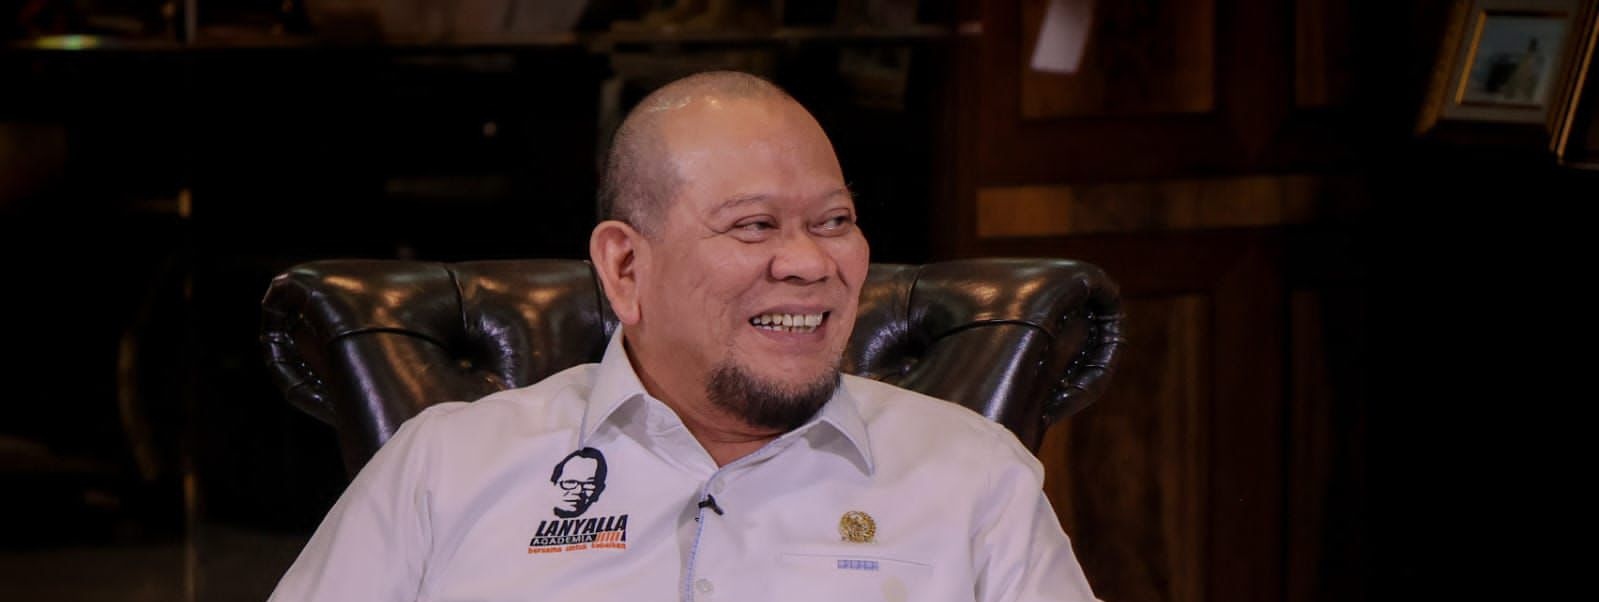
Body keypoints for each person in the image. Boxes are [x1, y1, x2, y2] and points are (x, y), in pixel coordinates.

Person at [267, 70, 1098, 602]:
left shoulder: (973, 477)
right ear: (625, 266)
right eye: (753, 225)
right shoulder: (445, 467)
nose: (810, 263)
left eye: (834, 221)